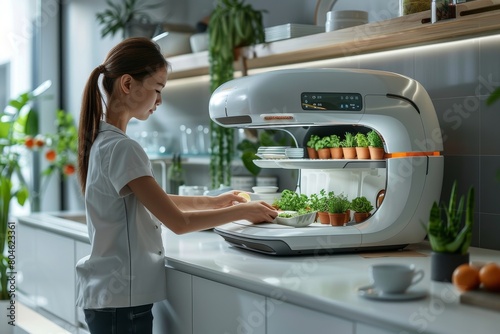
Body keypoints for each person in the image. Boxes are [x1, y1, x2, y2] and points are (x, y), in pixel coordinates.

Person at [75, 37, 278, 334]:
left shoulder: (104, 141)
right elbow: (179, 222)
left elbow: (153, 199)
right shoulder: (122, 148)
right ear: (128, 84)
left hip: (110, 297)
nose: (159, 100)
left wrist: (216, 201)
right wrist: (243, 212)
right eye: (158, 89)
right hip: (122, 302)